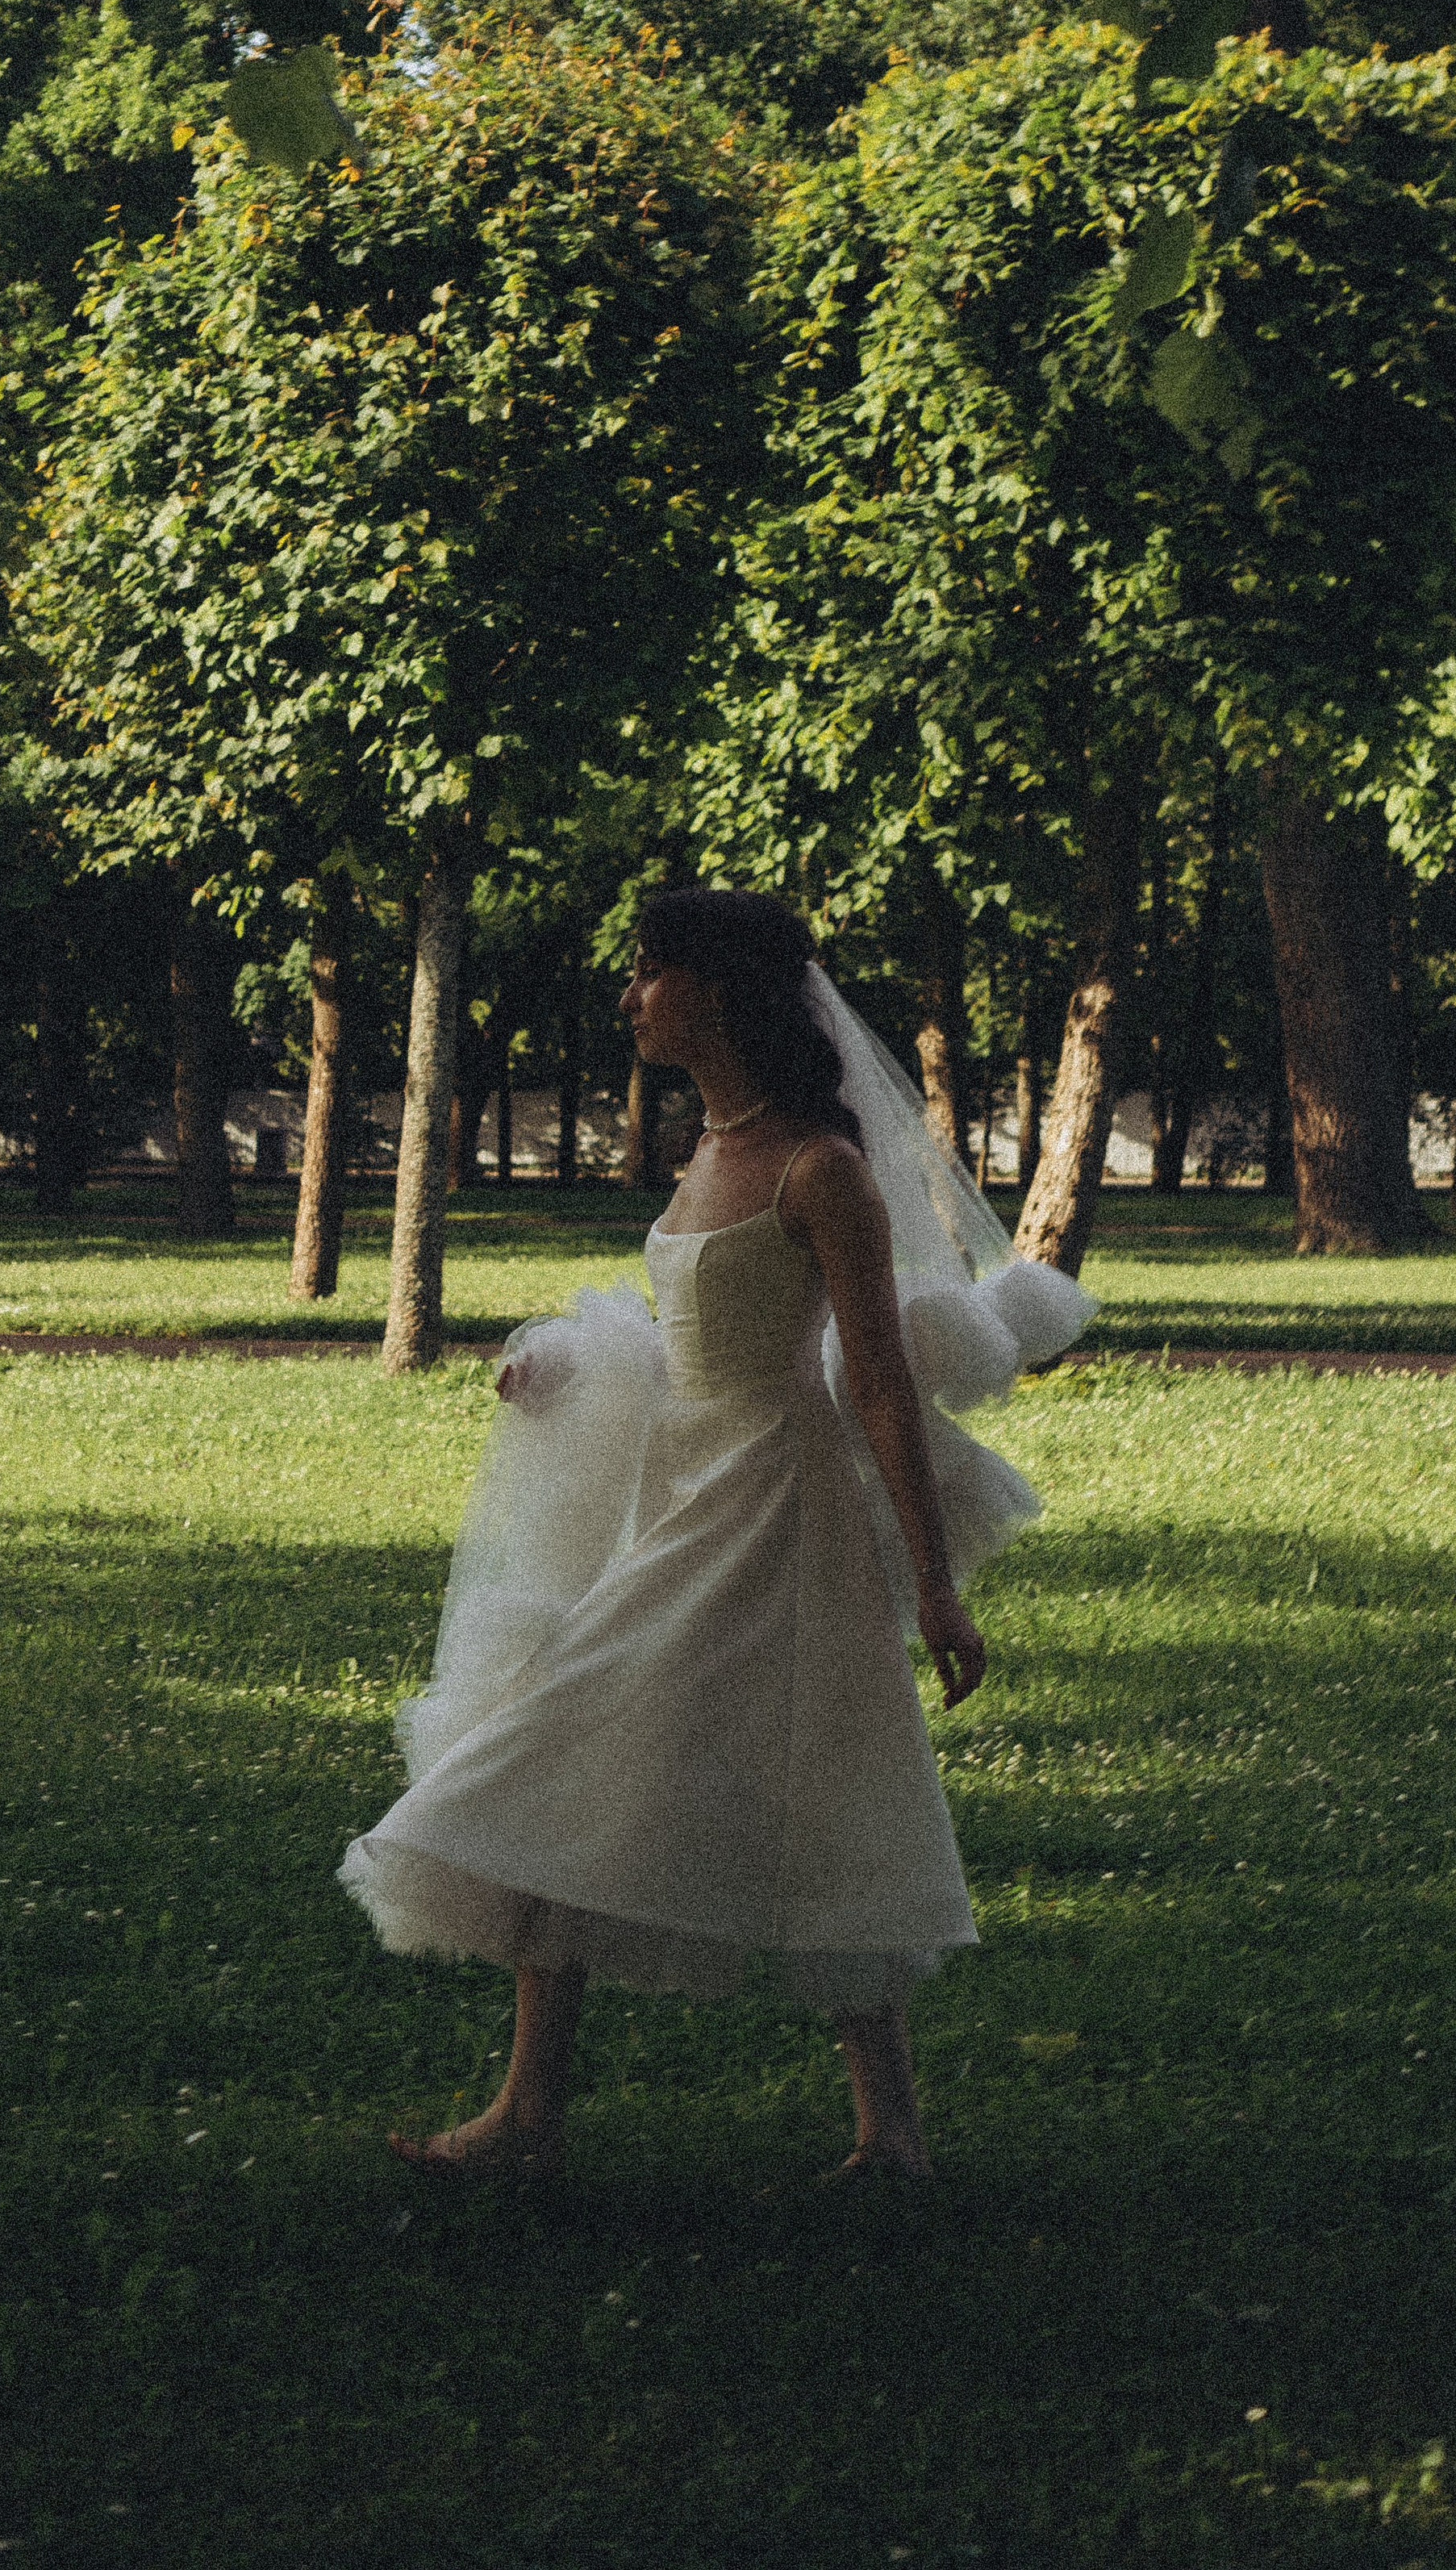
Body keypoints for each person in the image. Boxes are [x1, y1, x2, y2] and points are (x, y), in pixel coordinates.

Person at [340, 887, 1091, 2180]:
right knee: (590, 1749)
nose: (630, 996)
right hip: (682, 1494)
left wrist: (935, 1587)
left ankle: (886, 2132)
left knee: (825, 1782)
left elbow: (875, 1387)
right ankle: (530, 2114)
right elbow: (698, 1339)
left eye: (650, 972)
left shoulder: (823, 1168)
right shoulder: (706, 1147)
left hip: (778, 1516)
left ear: (721, 989)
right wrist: (573, 1367)